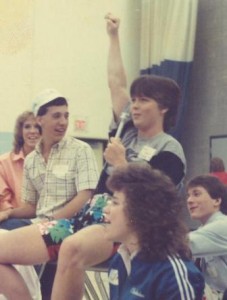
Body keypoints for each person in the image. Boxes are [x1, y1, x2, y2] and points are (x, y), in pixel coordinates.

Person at [0, 13, 186, 300]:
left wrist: (122, 164)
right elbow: (115, 84)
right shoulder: (125, 131)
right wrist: (113, 37)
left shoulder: (169, 149)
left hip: (120, 226)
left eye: (143, 101)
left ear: (163, 108)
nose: (134, 106)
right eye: (134, 100)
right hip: (82, 218)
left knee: (73, 248)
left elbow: (156, 202)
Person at [0, 88, 99, 230]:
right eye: (56, 116)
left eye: (66, 116)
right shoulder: (31, 161)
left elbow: (85, 196)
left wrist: (49, 224)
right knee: (5, 227)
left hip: (68, 226)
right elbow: (31, 208)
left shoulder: (81, 150)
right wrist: (7, 213)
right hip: (38, 224)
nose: (63, 122)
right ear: (40, 119)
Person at [104, 163, 204, 299]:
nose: (106, 209)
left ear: (138, 212)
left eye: (115, 203)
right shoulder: (120, 260)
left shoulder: (172, 274)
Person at [187, 174, 227, 298]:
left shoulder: (223, 226)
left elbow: (178, 244)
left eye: (196, 194)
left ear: (217, 201)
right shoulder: (203, 230)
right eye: (188, 195)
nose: (189, 200)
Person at [0, 111, 41, 211]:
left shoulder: (52, 160)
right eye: (27, 127)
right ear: (20, 132)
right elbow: (2, 200)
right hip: (14, 220)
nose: (32, 131)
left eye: (37, 127)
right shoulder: (4, 162)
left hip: (47, 220)